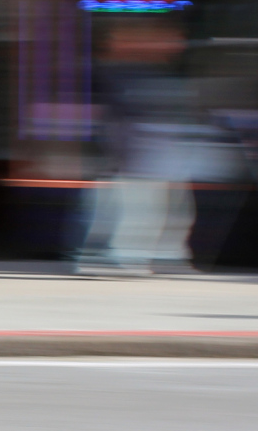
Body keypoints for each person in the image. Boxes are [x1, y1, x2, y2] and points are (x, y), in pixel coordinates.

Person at [74, 15, 203, 275]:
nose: (179, 43)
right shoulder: (121, 72)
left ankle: (163, 256)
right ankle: (121, 257)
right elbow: (122, 118)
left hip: (152, 156)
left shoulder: (145, 71)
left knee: (166, 208)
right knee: (141, 207)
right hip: (141, 157)